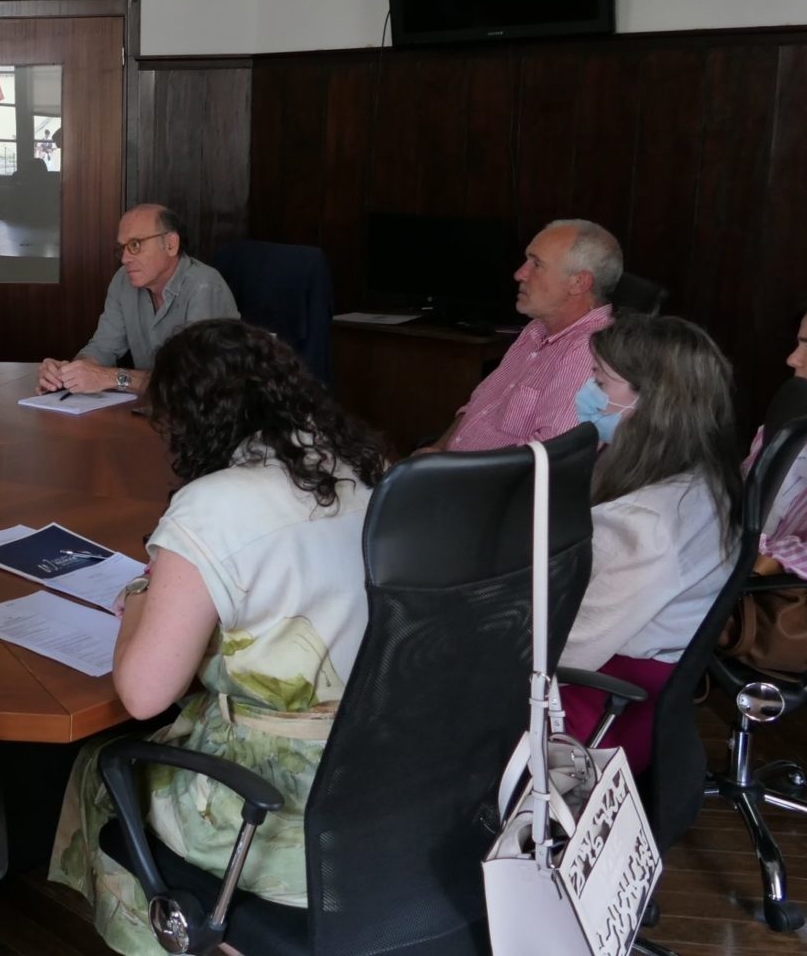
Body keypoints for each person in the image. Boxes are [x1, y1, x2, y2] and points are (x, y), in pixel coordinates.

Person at [49, 319, 388, 952]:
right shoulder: (359, 467)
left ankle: (164, 936)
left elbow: (144, 695)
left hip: (271, 819)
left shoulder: (213, 506)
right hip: (378, 776)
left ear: (192, 419)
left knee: (99, 764)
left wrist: (144, 594)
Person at [557, 315, 741, 772]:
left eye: (600, 380)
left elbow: (570, 649)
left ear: (653, 402)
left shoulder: (645, 523)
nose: (587, 391)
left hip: (596, 714)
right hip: (645, 695)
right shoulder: (707, 481)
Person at [432, 219, 622, 452]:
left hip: (492, 484)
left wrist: (442, 472)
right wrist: (438, 450)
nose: (519, 274)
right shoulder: (536, 329)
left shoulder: (590, 351)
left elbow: (552, 459)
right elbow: (478, 407)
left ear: (578, 283)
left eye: (537, 264)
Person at [37, 204, 238, 397]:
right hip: (154, 408)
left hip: (209, 418)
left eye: (135, 245)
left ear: (170, 244)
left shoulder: (204, 286)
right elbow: (103, 347)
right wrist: (70, 372)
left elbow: (195, 382)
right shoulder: (123, 280)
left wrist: (113, 377)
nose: (124, 259)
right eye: (122, 248)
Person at [719, 299, 807, 678]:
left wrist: (763, 557)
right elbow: (745, 498)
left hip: (786, 604)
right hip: (740, 578)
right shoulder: (793, 417)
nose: (792, 359)